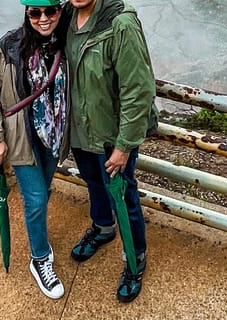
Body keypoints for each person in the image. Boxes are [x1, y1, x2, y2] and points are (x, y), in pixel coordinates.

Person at [0, 0, 70, 300]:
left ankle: (38, 232)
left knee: (43, 191)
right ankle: (39, 258)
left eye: (50, 11)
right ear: (26, 13)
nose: (43, 19)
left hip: (54, 138)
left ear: (59, 11)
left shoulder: (69, 39)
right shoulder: (10, 46)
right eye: (35, 13)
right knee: (37, 198)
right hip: (21, 140)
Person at [63, 0, 157, 303]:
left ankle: (135, 258)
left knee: (124, 196)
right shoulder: (65, 14)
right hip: (80, 129)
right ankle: (103, 228)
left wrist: (124, 145)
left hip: (111, 137)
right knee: (93, 183)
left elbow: (138, 89)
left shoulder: (121, 24)